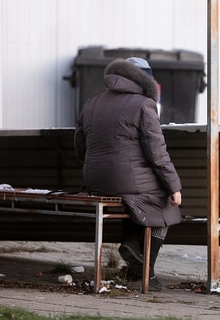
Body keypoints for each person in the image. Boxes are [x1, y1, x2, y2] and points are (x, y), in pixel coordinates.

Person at [74, 57, 182, 292]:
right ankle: (145, 271)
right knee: (165, 202)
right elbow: (157, 153)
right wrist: (174, 186)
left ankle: (133, 248)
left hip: (94, 180)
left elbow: (80, 147)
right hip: (124, 182)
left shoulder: (91, 103)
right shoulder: (144, 105)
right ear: (145, 80)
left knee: (138, 198)